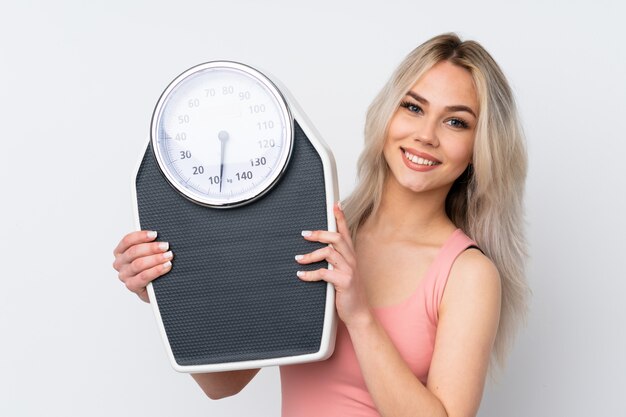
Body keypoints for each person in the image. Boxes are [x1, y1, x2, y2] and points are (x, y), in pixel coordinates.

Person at [113, 33, 528, 417]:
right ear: (388, 115)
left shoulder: (468, 274)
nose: (425, 135)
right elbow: (224, 383)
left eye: (456, 121)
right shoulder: (316, 236)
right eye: (413, 107)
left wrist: (360, 315)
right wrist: (163, 291)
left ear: (479, 147)